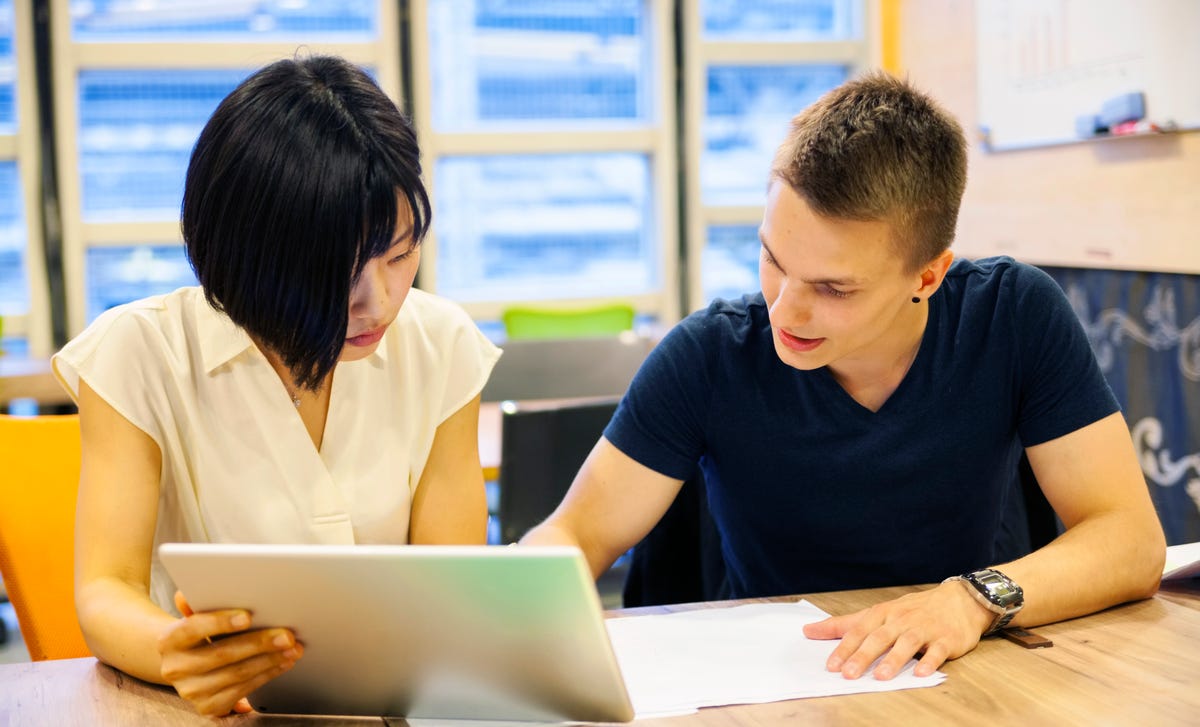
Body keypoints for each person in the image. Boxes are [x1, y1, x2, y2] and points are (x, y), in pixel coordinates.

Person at [521, 71, 1165, 680]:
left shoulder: (1012, 314)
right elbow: (576, 532)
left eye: (833, 288)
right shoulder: (710, 354)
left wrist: (971, 601)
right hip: (770, 680)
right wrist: (509, 600)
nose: (785, 309)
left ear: (927, 277)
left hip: (965, 669)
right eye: (772, 259)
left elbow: (1130, 541)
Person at [52, 55, 500, 716]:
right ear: (248, 257)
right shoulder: (140, 352)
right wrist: (174, 650)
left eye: (400, 255)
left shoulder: (441, 344)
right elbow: (106, 587)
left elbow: (449, 590)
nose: (376, 302)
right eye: (336, 275)